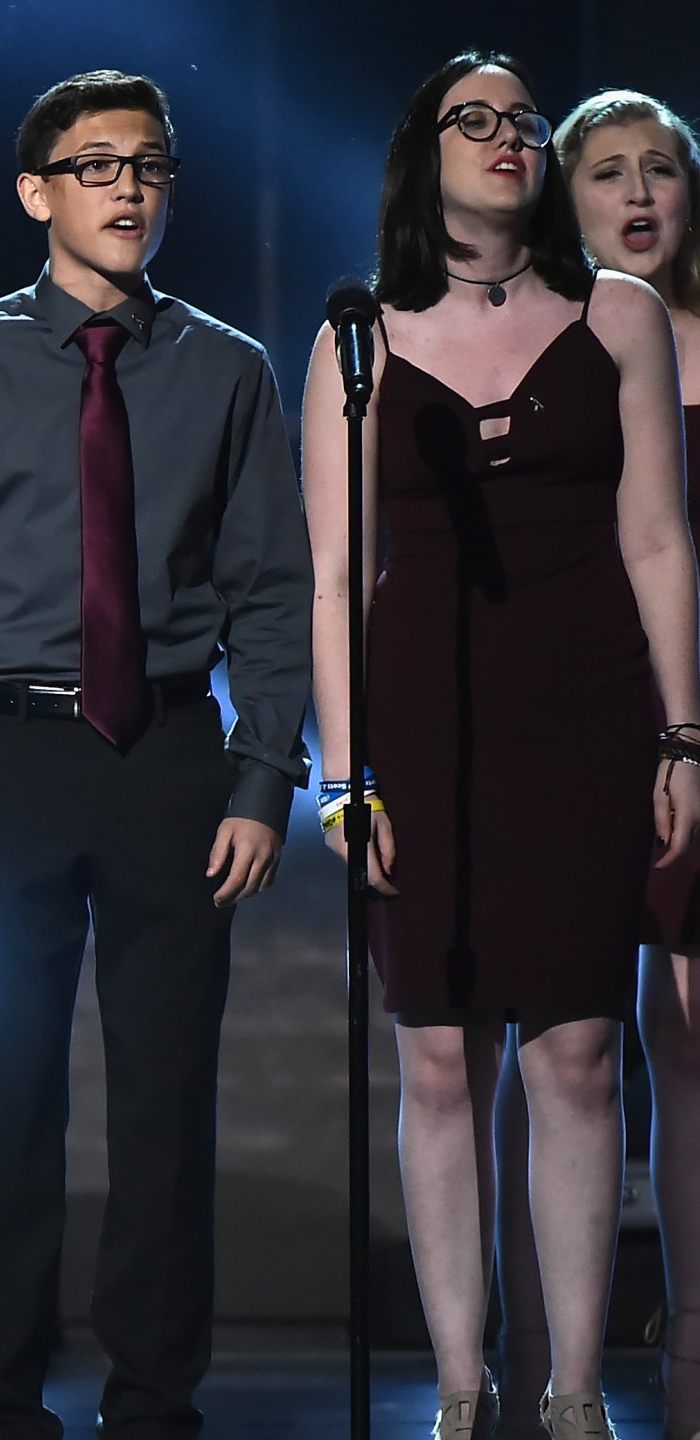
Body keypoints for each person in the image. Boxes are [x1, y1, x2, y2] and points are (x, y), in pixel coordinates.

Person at [0, 71, 310, 1440]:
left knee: (167, 1102)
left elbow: (274, 594)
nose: (128, 188)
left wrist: (261, 776)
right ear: (34, 191)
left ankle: (153, 1398)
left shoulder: (226, 367)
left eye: (151, 165)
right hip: (8, 753)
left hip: (173, 753)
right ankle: (1, 1401)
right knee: (1, 1106)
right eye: (98, 164)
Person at [304, 52, 700, 1440]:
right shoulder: (359, 339)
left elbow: (658, 534)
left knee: (580, 1054)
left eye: (526, 121)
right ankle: (463, 1390)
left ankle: (578, 1388)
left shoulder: (622, 316)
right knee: (435, 1059)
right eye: (478, 120)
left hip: (587, 706)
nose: (511, 140)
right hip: (423, 717)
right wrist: (344, 776)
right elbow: (336, 577)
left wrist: (683, 732)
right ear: (427, 154)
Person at [483, 86, 700, 1438]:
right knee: (551, 1029)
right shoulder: (555, 337)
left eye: (661, 170)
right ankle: (526, 1342)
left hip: (683, 718)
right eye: (607, 170)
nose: (638, 194)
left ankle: (688, 1337)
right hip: (572, 712)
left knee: (684, 1035)